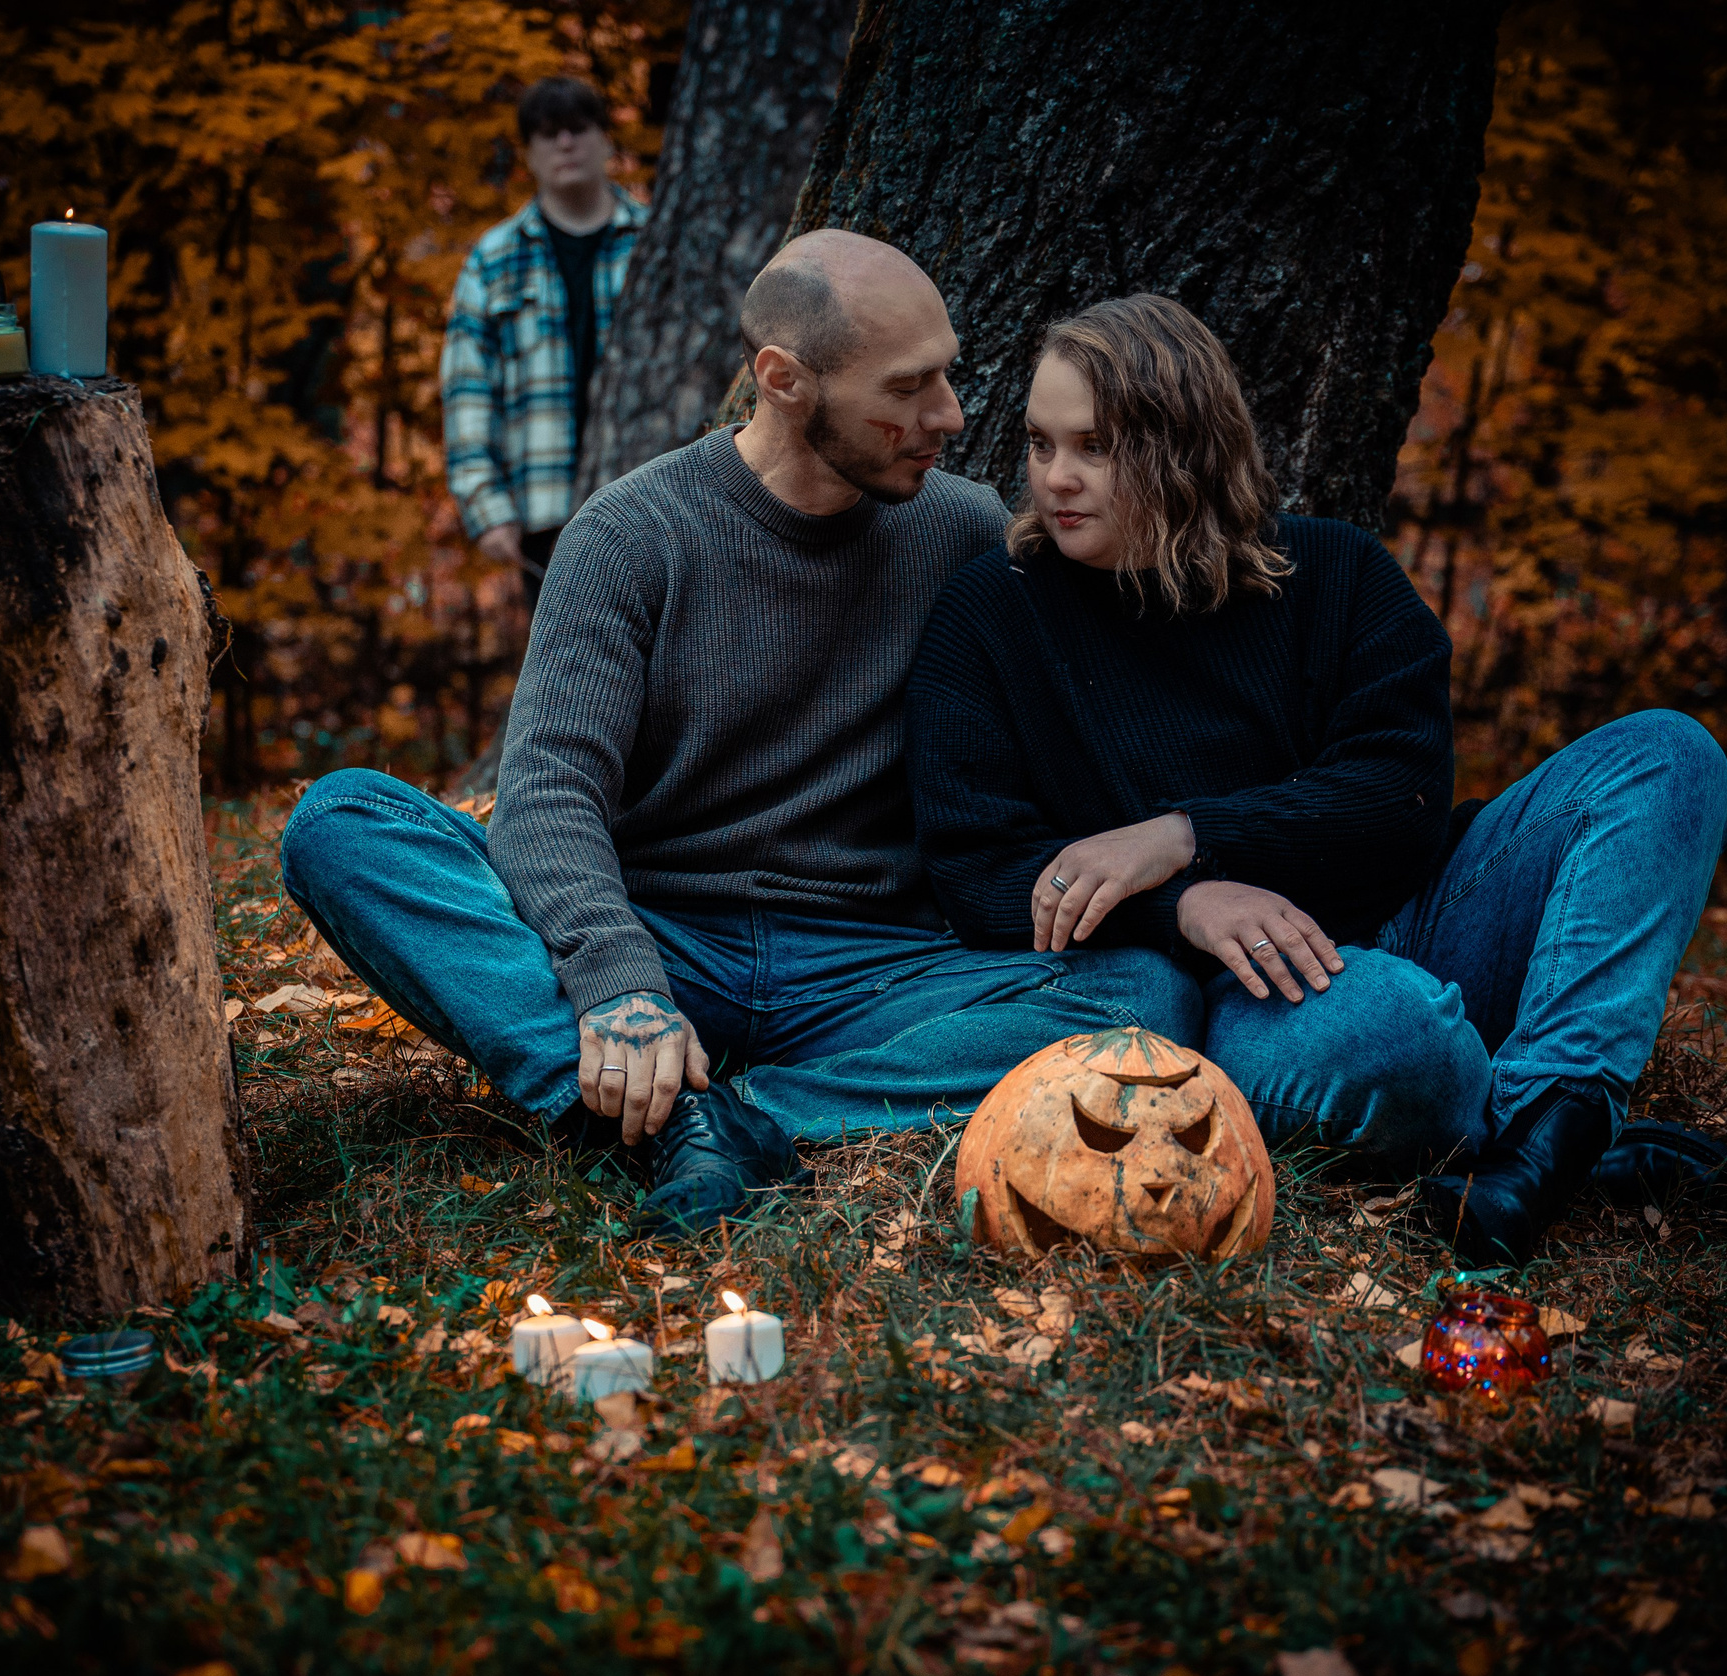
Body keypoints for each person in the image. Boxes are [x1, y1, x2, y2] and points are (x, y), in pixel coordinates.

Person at [283, 236, 1198, 1234]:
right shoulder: (632, 534)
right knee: (342, 821)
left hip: (872, 967)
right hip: (663, 937)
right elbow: (549, 795)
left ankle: (722, 1117)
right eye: (911, 384)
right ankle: (656, 1086)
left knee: (1142, 993)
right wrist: (620, 980)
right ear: (784, 379)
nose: (950, 413)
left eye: (947, 372)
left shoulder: (961, 531)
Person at [905, 293, 1727, 1266]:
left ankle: (1552, 1127)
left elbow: (1404, 797)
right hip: (1252, 992)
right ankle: (1548, 1142)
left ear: (1186, 446)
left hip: (1425, 909)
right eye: (1040, 445)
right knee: (1398, 1039)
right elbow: (978, 870)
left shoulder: (1335, 573)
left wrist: (1180, 835)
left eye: (1092, 446)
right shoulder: (991, 614)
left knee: (1670, 753)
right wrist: (1181, 902)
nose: (1056, 479)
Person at [441, 76, 650, 612]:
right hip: (545, 517)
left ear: (605, 139)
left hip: (652, 505)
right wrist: (488, 508)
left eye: (578, 129)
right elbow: (468, 392)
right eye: (547, 133)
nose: (565, 144)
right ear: (529, 153)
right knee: (572, 686)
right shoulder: (494, 259)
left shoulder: (655, 244)